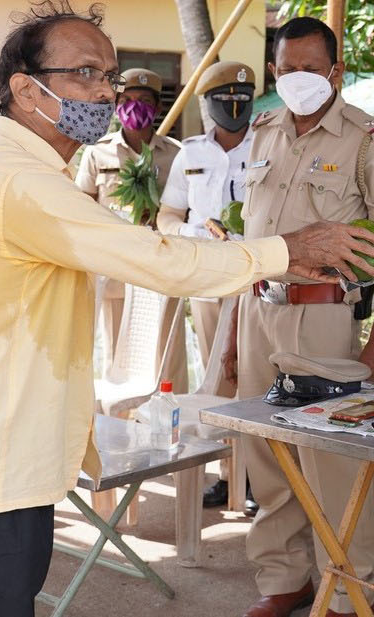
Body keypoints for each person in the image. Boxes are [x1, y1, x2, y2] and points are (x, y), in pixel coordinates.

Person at [0, 0, 374, 617]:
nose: (105, 92)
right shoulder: (17, 182)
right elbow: (159, 258)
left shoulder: (20, 172)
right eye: (84, 73)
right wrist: (287, 249)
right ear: (25, 90)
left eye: (109, 75)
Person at [220, 16, 374, 617]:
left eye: (312, 67)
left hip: (325, 317)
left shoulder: (368, 138)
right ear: (275, 71)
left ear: (336, 71)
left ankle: (355, 590)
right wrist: (229, 335)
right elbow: (249, 246)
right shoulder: (265, 130)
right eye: (289, 68)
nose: (299, 78)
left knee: (333, 461)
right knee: (266, 457)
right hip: (257, 312)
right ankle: (285, 580)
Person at [157, 59, 256, 510]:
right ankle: (229, 475)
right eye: (224, 101)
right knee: (216, 377)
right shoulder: (191, 152)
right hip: (207, 278)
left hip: (256, 277)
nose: (234, 109)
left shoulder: (269, 143)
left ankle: (257, 480)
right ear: (207, 105)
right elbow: (169, 214)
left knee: (253, 377)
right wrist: (188, 236)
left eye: (242, 100)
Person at [75, 67, 187, 386]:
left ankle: (170, 425)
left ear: (158, 107)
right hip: (116, 273)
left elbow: (186, 210)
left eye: (144, 100)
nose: (135, 106)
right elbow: (82, 208)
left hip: (163, 271)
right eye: (128, 100)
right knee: (119, 360)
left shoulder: (176, 155)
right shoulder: (97, 153)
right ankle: (122, 426)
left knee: (168, 359)